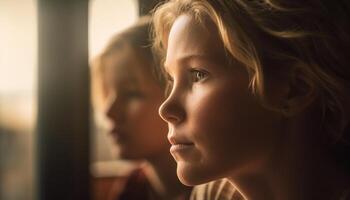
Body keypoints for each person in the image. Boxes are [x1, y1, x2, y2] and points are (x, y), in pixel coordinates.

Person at [151, 0, 350, 199]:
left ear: (296, 89)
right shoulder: (212, 195)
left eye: (198, 74)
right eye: (171, 78)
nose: (165, 109)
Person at [91, 16, 192, 200]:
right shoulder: (132, 189)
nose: (108, 111)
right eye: (107, 94)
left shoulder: (221, 191)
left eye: (131, 94)